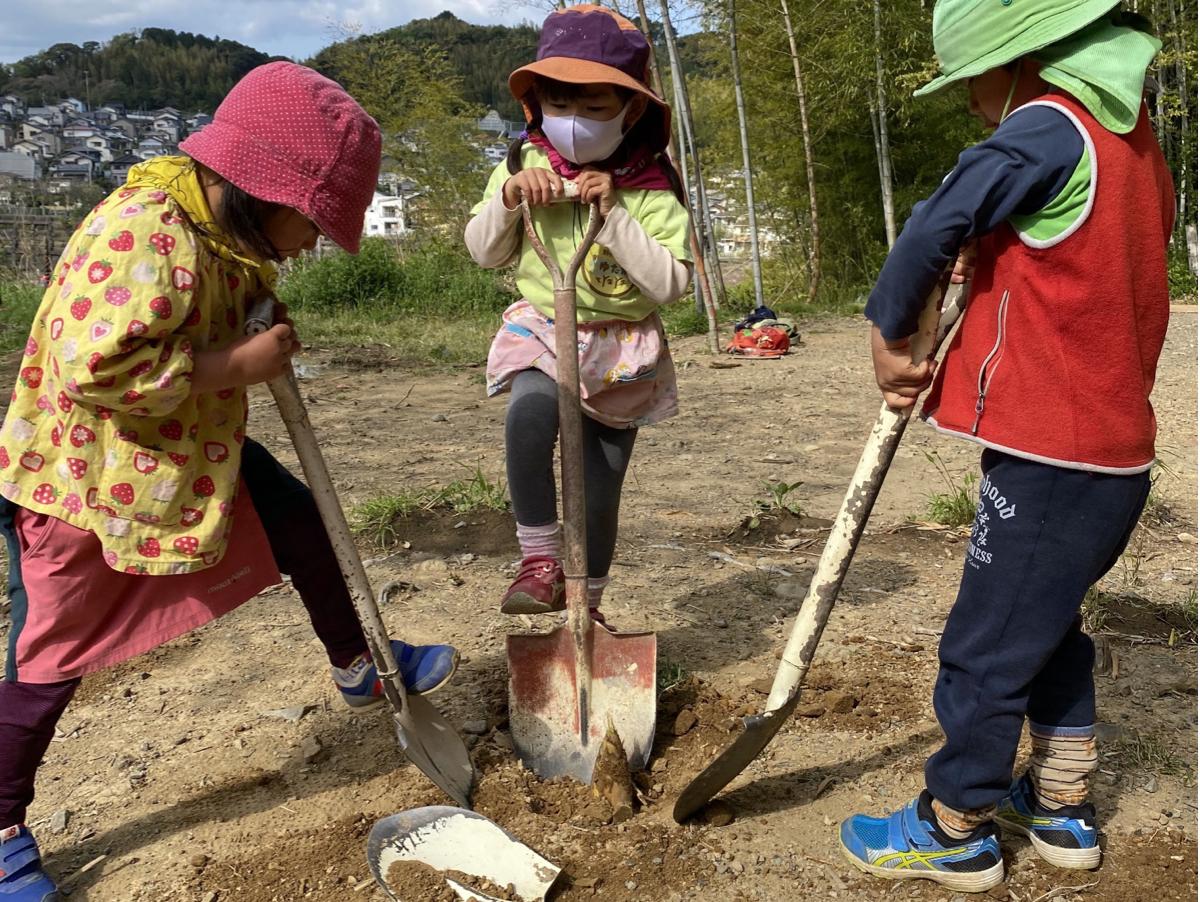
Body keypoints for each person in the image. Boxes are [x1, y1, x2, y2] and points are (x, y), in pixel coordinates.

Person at [0, 62, 460, 900]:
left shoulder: (225, 233)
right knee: (49, 654)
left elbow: (232, 303)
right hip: (86, 480)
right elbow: (92, 366)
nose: (315, 242)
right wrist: (233, 363)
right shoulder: (143, 229)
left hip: (187, 450)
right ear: (259, 187)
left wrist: (259, 322)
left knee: (300, 517)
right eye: (312, 221)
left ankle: (358, 660)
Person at [839, 0, 1175, 892]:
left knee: (985, 644)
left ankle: (953, 824)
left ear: (1022, 61)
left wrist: (890, 330)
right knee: (1045, 622)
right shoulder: (1132, 144)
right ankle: (1059, 803)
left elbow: (931, 221)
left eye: (971, 86)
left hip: (1050, 457)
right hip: (1112, 456)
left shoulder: (1043, 127)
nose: (972, 107)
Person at [465, 5, 693, 625]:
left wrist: (616, 217)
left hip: (624, 347)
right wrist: (510, 201)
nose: (573, 124)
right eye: (560, 106)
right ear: (537, 103)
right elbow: (484, 251)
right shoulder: (521, 167)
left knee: (598, 489)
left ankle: (584, 609)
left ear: (632, 110)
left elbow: (672, 283)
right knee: (531, 413)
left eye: (594, 109)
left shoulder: (649, 187)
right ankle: (538, 559)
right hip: (542, 326)